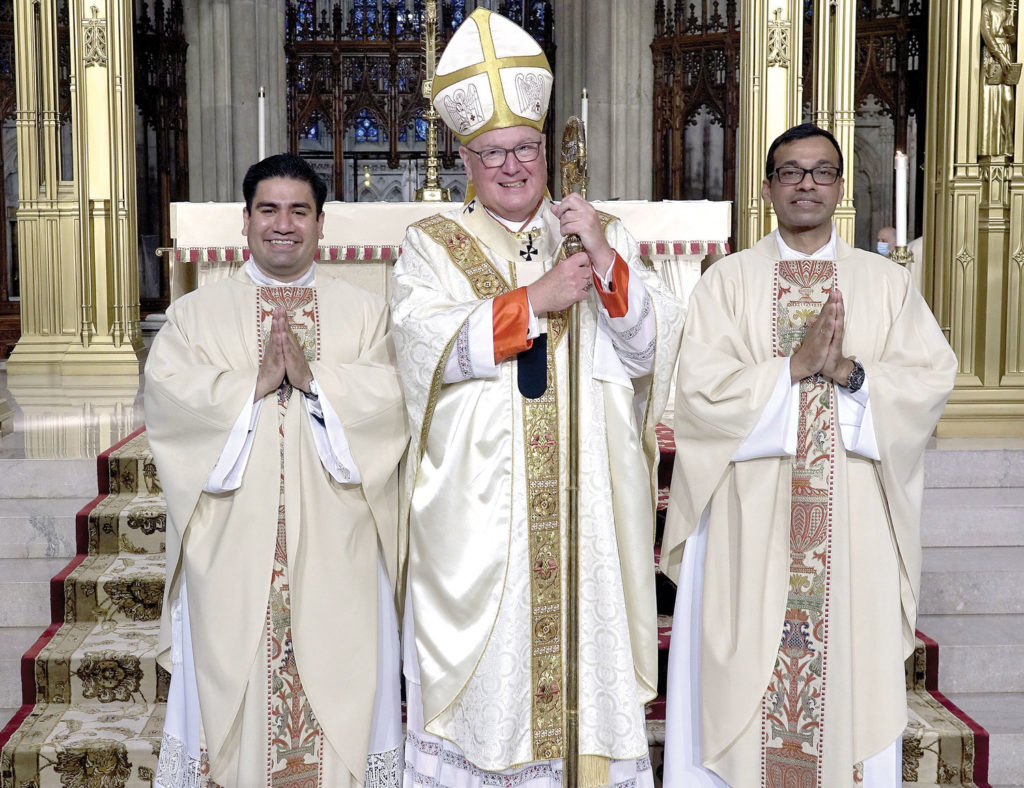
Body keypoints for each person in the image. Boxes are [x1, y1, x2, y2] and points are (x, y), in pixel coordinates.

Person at [390, 9, 685, 788]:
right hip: (483, 520)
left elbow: (651, 350)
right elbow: (425, 349)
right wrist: (540, 297)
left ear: (547, 147)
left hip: (589, 515)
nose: (513, 165)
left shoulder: (599, 230)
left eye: (525, 147)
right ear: (465, 156)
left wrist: (603, 262)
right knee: (491, 699)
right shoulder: (431, 244)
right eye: (494, 152)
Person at [661, 123, 956, 787]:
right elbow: (699, 395)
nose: (806, 184)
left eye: (821, 172)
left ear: (840, 187)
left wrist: (851, 375)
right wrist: (790, 369)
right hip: (748, 525)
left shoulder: (885, 284)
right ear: (767, 189)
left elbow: (931, 378)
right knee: (745, 696)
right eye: (790, 172)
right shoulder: (726, 283)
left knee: (847, 680)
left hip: (852, 533)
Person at [145, 154, 408, 787]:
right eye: (268, 209)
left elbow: (394, 404)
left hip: (341, 549)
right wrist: (252, 385)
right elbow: (171, 406)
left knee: (344, 699)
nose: (283, 225)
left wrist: (317, 382)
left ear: (322, 225)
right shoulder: (195, 316)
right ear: (245, 221)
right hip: (231, 547)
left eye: (299, 211)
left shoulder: (366, 312)